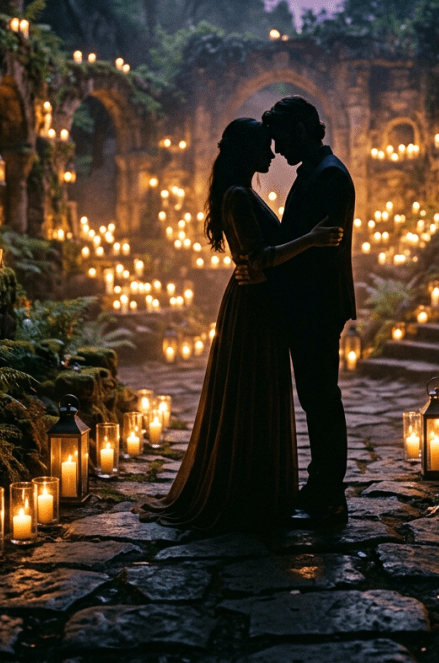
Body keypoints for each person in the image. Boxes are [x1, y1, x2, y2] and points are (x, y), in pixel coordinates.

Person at [136, 118, 343, 532]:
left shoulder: (244, 192)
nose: (271, 155)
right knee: (251, 393)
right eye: (264, 148)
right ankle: (246, 493)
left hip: (262, 302)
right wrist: (312, 240)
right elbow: (256, 259)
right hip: (251, 306)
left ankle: (259, 489)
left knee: (260, 393)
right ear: (247, 152)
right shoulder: (236, 196)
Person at [261, 96, 356, 527]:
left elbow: (322, 252)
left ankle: (329, 493)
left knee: (321, 399)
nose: (277, 149)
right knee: (315, 398)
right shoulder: (317, 171)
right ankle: (320, 485)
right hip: (311, 305)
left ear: (301, 129)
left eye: (281, 138)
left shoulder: (329, 176)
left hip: (316, 305)